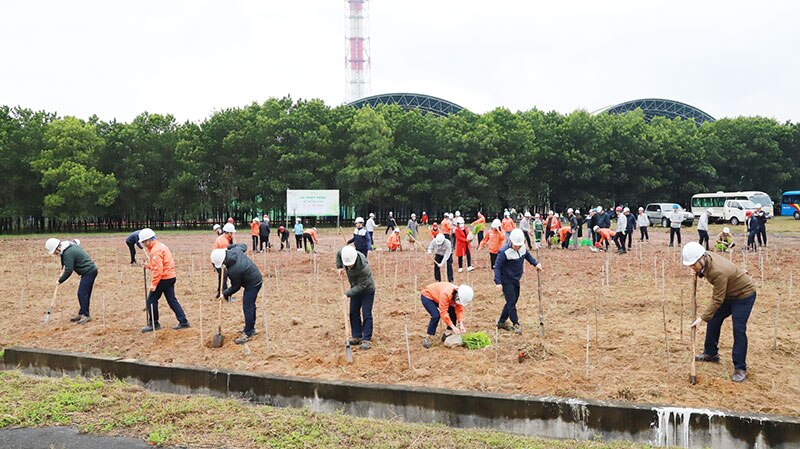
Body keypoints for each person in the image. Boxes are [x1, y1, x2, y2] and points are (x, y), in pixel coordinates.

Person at [684, 242, 756, 383]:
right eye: (689, 265)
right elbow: (704, 271)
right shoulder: (705, 258)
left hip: (744, 295)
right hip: (728, 294)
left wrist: (701, 319)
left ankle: (740, 368)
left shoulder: (718, 271)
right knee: (714, 319)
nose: (691, 267)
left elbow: (717, 300)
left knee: (738, 329)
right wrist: (697, 272)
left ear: (701, 259)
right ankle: (711, 354)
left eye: (693, 265)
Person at [139, 228, 190, 333]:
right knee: (172, 300)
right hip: (170, 277)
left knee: (151, 301)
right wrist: (148, 266)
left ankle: (154, 324)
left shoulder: (155, 251)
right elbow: (159, 264)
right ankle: (183, 321)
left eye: (144, 242)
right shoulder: (161, 246)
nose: (143, 245)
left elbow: (158, 269)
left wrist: (154, 284)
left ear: (148, 240)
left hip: (163, 278)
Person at [211, 244, 262, 344]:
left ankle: (248, 333)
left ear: (224, 261)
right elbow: (243, 245)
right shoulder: (236, 251)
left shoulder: (234, 270)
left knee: (248, 306)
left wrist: (224, 294)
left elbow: (236, 287)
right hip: (252, 277)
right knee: (249, 306)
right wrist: (229, 247)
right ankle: (250, 327)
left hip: (253, 283)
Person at [494, 229, 542, 335]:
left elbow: (527, 256)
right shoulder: (503, 251)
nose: (518, 247)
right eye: (516, 245)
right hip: (506, 280)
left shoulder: (522, 248)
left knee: (513, 300)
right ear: (510, 241)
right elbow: (497, 267)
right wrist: (498, 282)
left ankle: (501, 322)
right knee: (511, 302)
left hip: (516, 278)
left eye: (519, 245)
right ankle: (516, 323)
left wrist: (535, 264)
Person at [45, 238, 97, 325]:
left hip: (89, 272)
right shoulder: (66, 248)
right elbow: (64, 262)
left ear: (57, 248)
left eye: (54, 252)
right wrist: (62, 269)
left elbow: (69, 270)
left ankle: (86, 315)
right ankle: (82, 313)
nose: (55, 254)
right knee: (84, 293)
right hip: (88, 271)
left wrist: (60, 280)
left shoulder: (68, 252)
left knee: (82, 293)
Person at [336, 245, 376, 350]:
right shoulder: (345, 253)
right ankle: (357, 336)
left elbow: (362, 285)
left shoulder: (363, 267)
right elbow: (339, 254)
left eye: (350, 265)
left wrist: (348, 294)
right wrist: (340, 267)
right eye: (347, 265)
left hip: (367, 289)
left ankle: (366, 339)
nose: (348, 267)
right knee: (353, 312)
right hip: (355, 288)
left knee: (366, 313)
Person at [419, 283, 473, 348]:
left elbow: (459, 310)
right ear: (457, 296)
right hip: (428, 296)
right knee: (436, 315)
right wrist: (453, 327)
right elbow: (443, 313)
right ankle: (428, 337)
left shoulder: (459, 295)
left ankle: (447, 334)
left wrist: (461, 324)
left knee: (453, 312)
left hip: (441, 298)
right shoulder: (446, 293)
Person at [213, 223, 236, 298]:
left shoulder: (224, 238)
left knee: (221, 276)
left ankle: (219, 293)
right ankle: (225, 296)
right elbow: (226, 255)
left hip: (217, 258)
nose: (233, 234)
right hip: (219, 260)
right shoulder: (224, 241)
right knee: (224, 276)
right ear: (228, 233)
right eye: (232, 233)